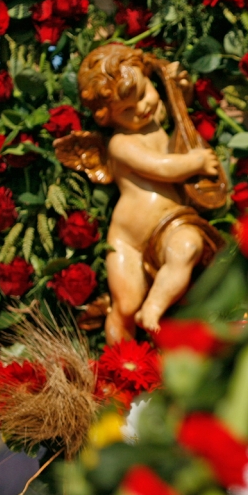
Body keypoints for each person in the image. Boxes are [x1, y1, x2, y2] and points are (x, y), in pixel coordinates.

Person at [71, 44, 225, 342]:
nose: (141, 108)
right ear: (109, 117)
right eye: (126, 110)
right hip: (129, 241)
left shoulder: (154, 118)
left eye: (143, 94)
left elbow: (178, 112)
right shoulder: (121, 144)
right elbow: (158, 166)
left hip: (172, 223)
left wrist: (180, 88)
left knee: (188, 247)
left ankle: (153, 308)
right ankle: (118, 369)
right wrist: (194, 162)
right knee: (125, 306)